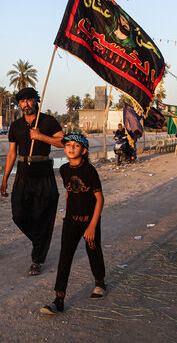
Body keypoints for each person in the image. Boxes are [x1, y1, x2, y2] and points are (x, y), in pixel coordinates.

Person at [1, 87, 64, 276]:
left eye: (29, 100)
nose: (26, 104)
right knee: (18, 215)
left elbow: (63, 142)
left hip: (44, 174)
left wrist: (41, 136)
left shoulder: (48, 121)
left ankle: (37, 259)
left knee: (43, 216)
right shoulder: (16, 126)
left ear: (36, 101)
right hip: (22, 176)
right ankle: (40, 241)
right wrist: (4, 178)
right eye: (22, 102)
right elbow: (12, 153)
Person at [40, 133, 106, 315]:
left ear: (83, 150)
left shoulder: (90, 171)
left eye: (75, 146)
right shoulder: (64, 170)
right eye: (68, 145)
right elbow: (69, 192)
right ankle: (59, 299)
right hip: (71, 222)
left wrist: (92, 225)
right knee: (65, 258)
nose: (70, 148)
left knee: (93, 251)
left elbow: (99, 199)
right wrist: (68, 215)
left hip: (89, 221)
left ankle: (100, 283)